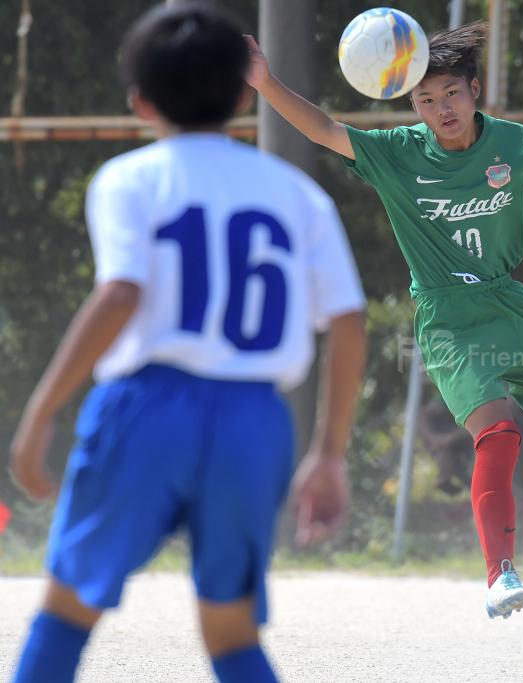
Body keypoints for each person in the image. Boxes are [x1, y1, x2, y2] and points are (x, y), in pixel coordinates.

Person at [245, 21, 523, 620]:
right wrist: (264, 81)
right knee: (499, 431)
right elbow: (324, 128)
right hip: (449, 319)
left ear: (474, 89)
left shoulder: (515, 145)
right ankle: (499, 575)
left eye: (451, 94)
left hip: (510, 303)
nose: (441, 108)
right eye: (426, 100)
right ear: (412, 105)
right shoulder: (398, 153)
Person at [7, 5, 367, 682]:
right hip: (254, 419)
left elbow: (120, 295)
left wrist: (41, 410)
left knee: (67, 609)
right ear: (241, 93)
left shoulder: (130, 179)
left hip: (148, 407)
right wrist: (328, 451)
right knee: (231, 630)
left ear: (140, 102)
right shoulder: (297, 194)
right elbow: (347, 322)